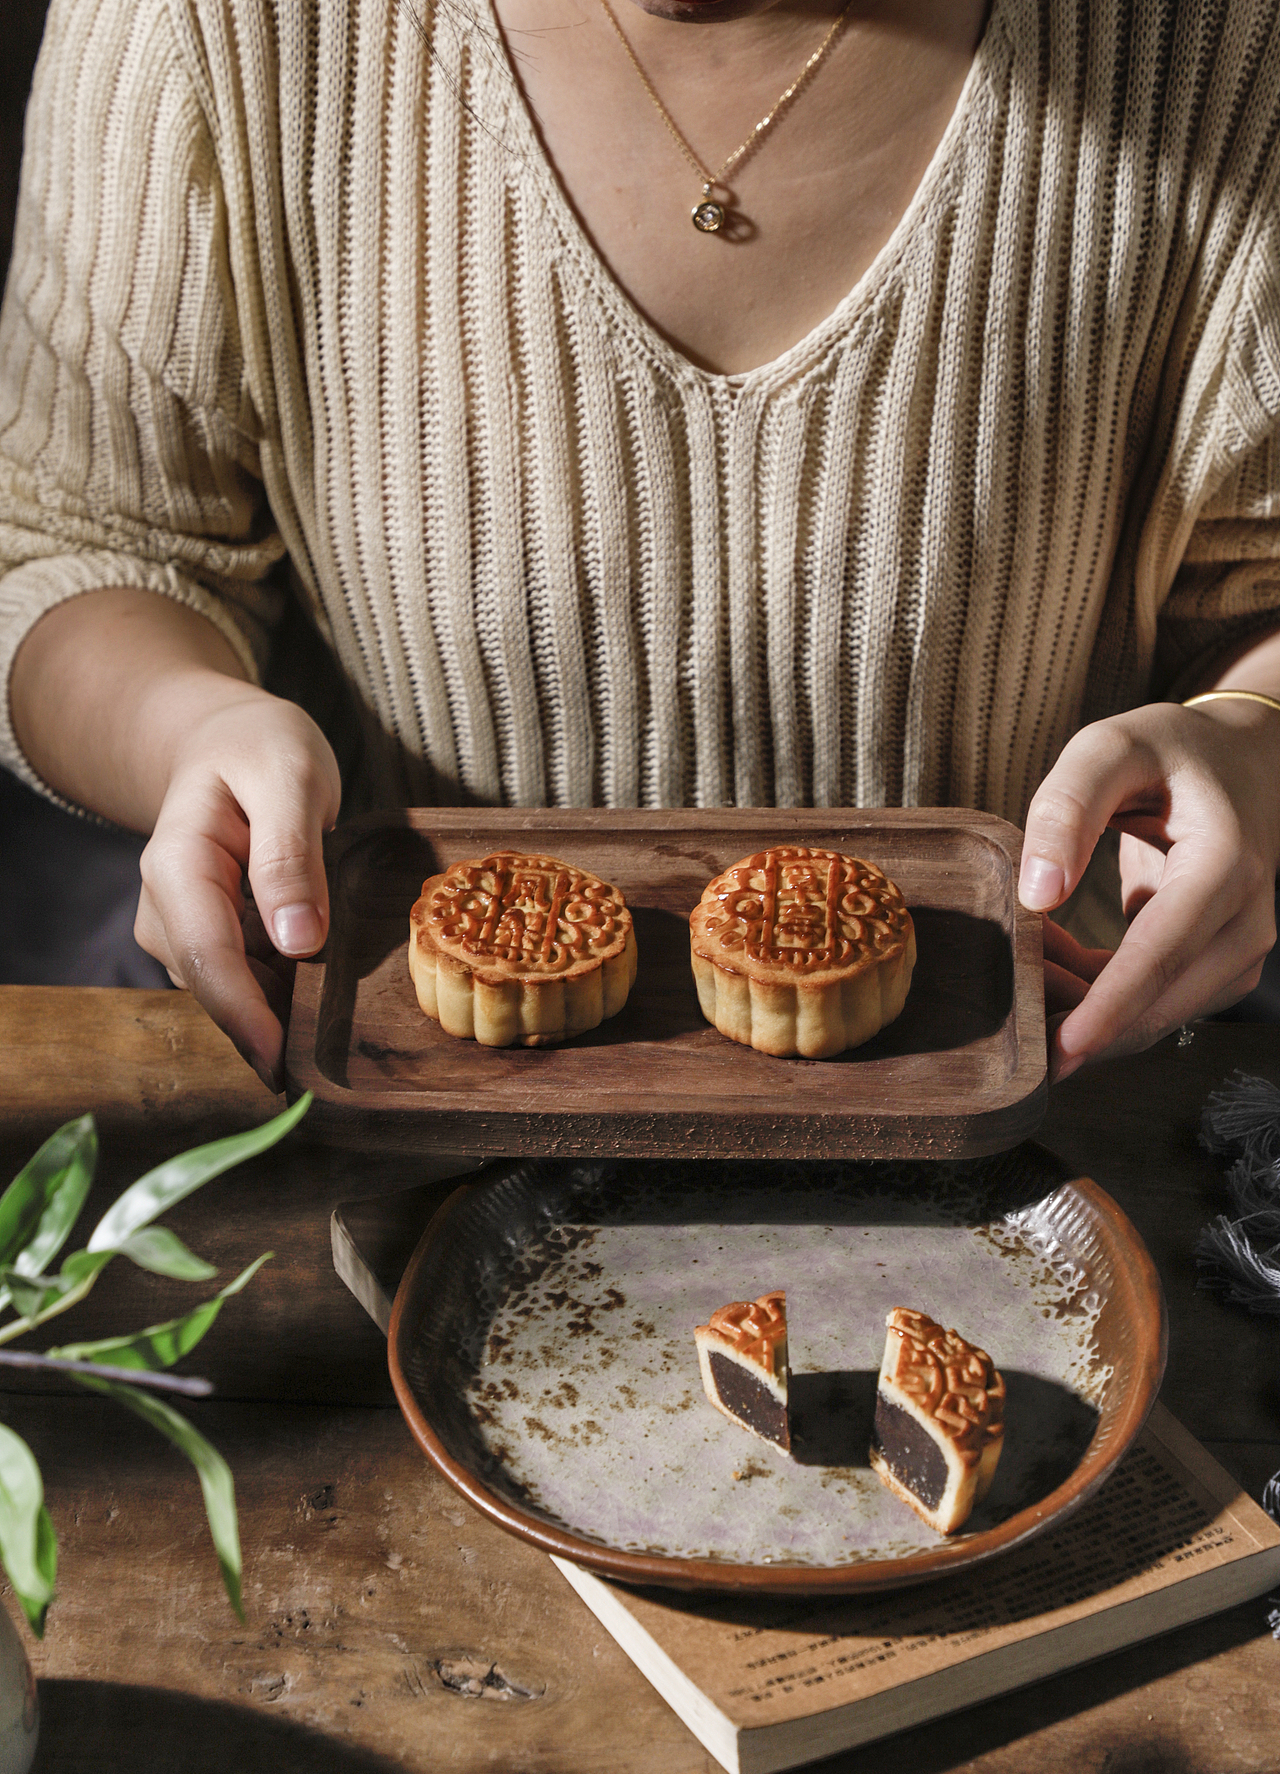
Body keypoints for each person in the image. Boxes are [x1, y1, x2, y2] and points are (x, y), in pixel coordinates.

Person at [1, 0, 1278, 1091]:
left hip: (1068, 1084)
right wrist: (193, 728)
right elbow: (70, 547)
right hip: (403, 1100)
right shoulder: (214, 28)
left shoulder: (1219, 47)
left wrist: (1249, 739)